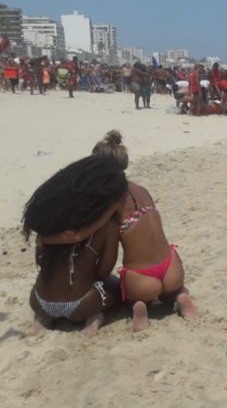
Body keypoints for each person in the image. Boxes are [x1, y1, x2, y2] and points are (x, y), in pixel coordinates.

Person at [92, 131, 197, 331]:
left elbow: (109, 253)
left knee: (132, 299)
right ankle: (180, 296)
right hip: (172, 267)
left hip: (142, 278)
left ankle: (138, 306)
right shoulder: (142, 190)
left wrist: (100, 274)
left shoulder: (110, 200)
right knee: (171, 293)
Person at [22, 155, 126, 336]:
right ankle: (94, 318)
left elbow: (39, 260)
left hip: (40, 302)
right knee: (116, 286)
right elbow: (102, 272)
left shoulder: (51, 220)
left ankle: (43, 319)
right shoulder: (108, 227)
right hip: (82, 305)